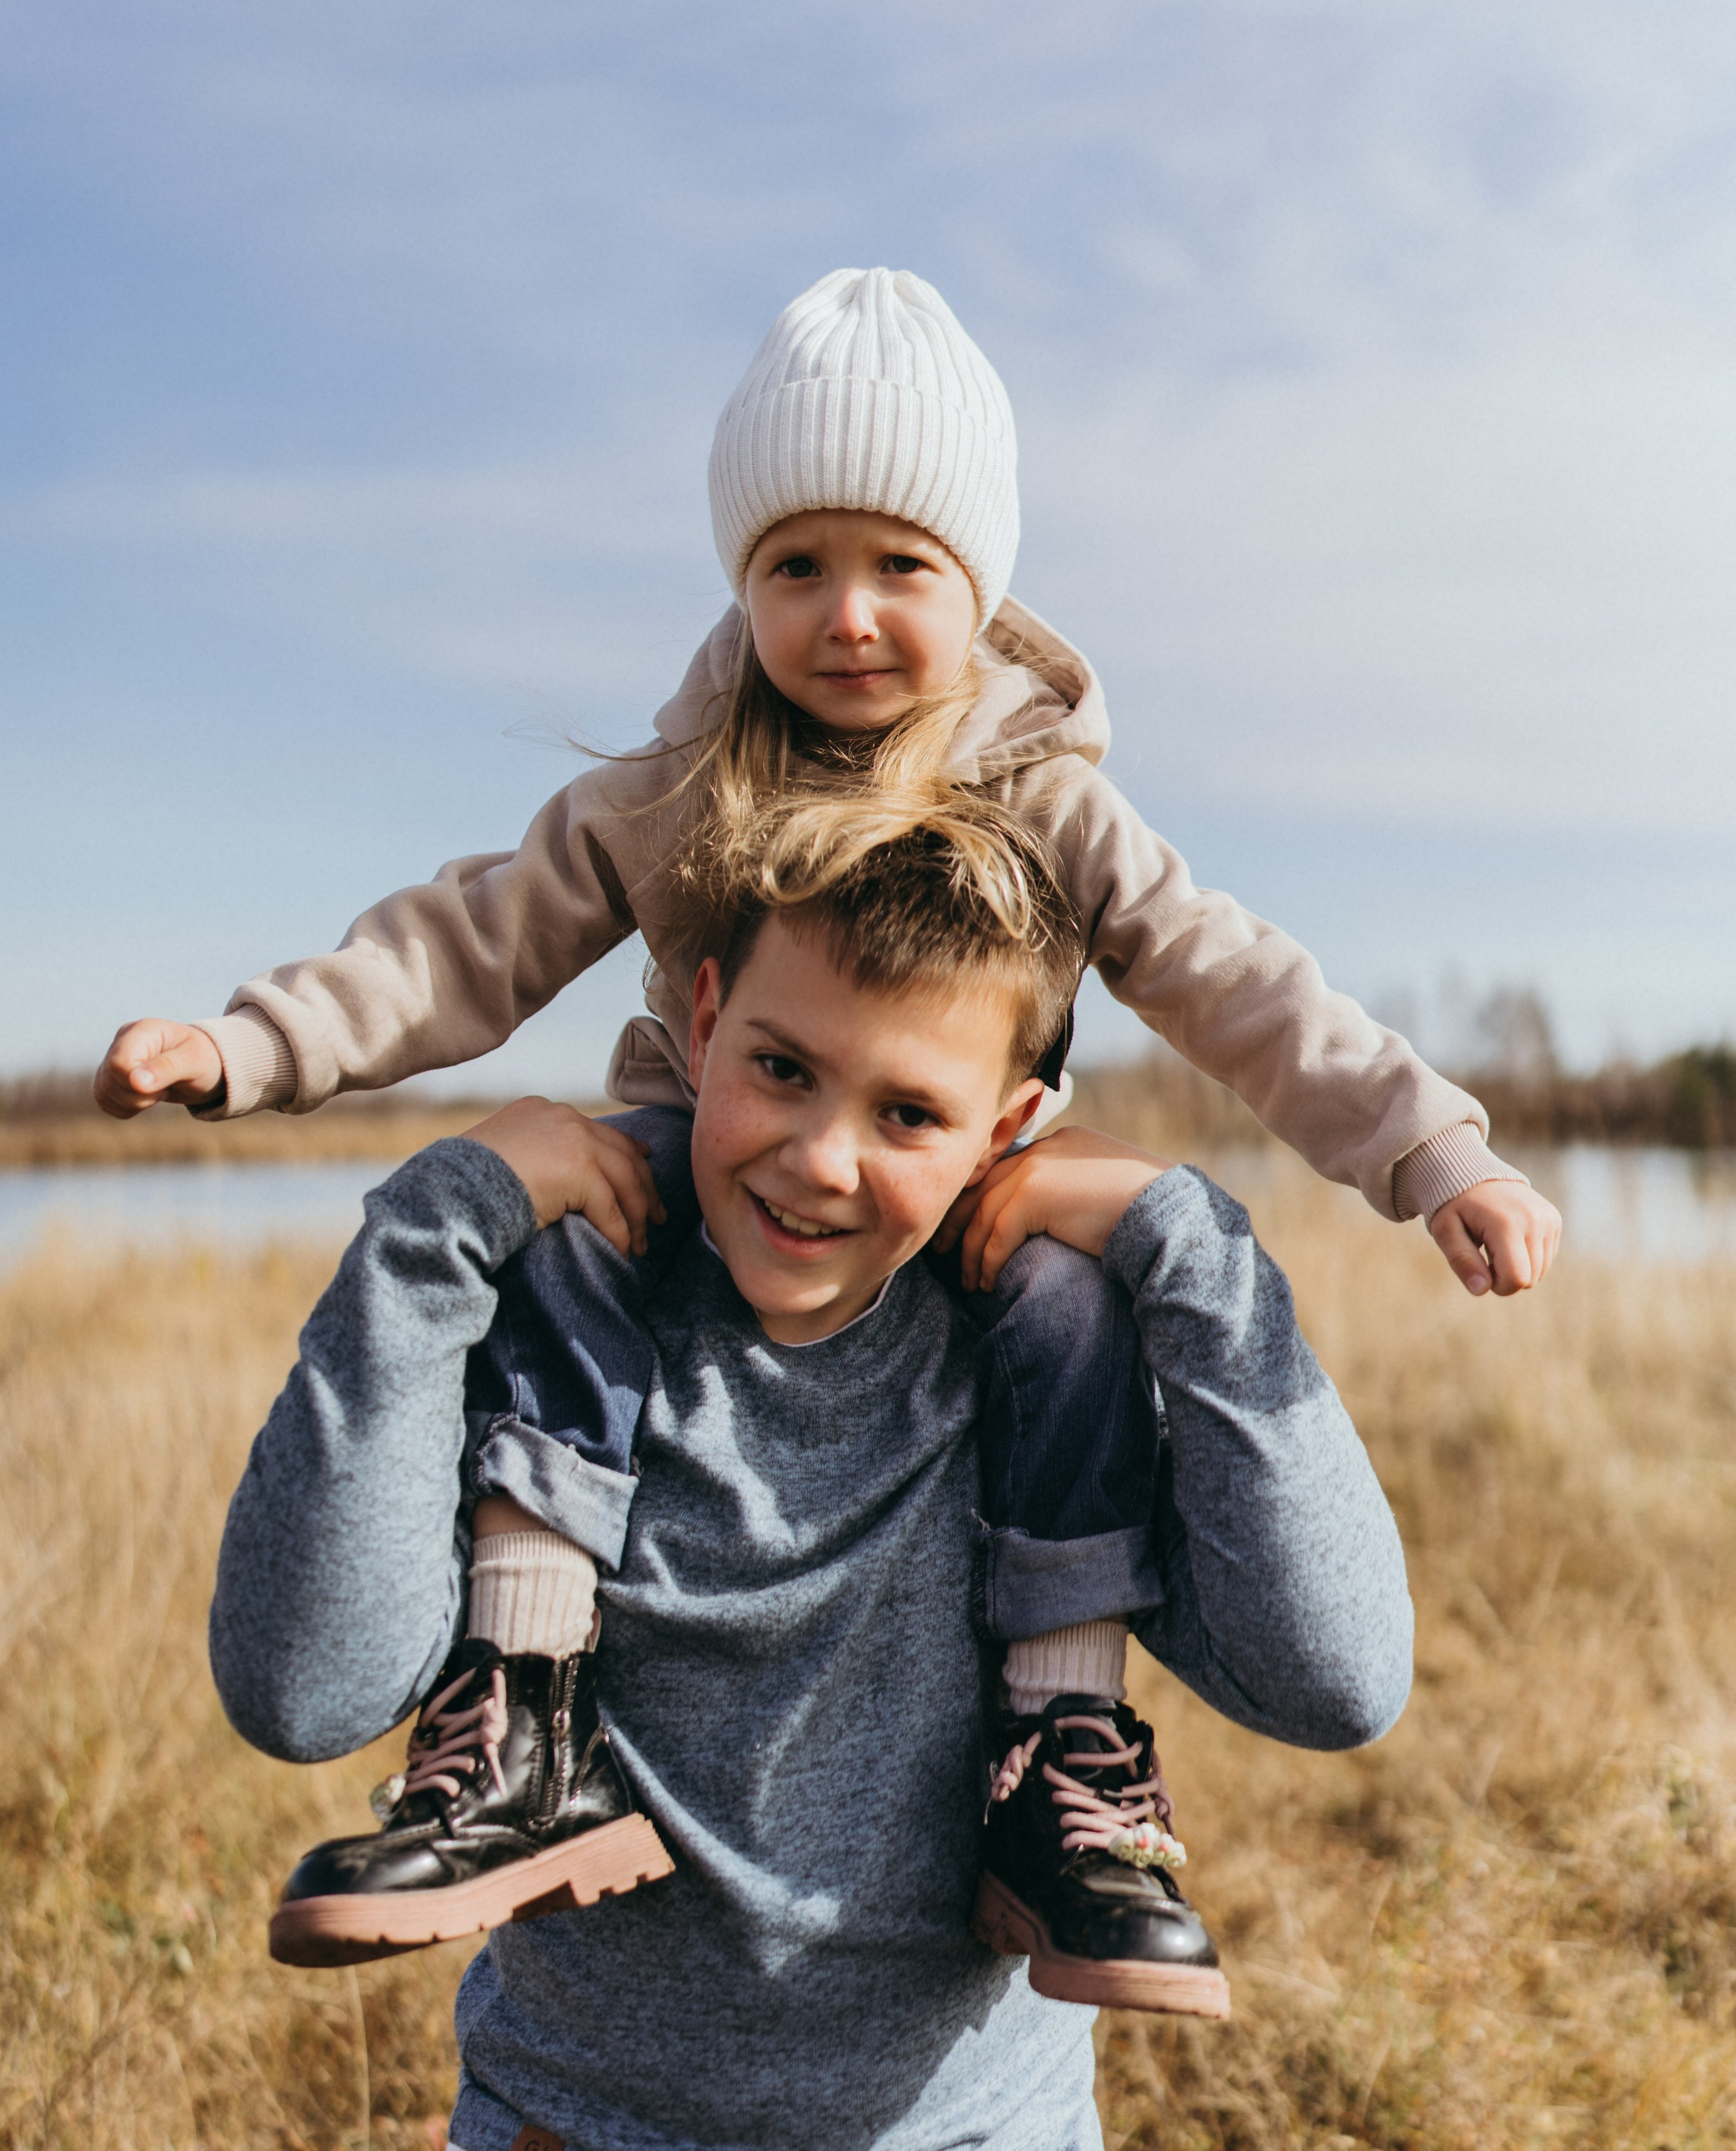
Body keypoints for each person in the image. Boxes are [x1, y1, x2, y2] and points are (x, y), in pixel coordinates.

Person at [107, 266, 1557, 1952]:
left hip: (985, 1191)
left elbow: (1239, 983)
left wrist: (1426, 1148)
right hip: (675, 1151)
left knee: (1065, 1301)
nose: (847, 616)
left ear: (980, 586)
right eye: (795, 566)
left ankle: (1059, 1730)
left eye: (900, 568)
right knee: (575, 1234)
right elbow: (470, 938)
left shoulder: (1043, 796)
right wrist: (255, 1043)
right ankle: (525, 1687)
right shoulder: (681, 783)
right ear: (740, 584)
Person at [211, 795, 1415, 2151]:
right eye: (782, 1069)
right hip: (571, 2125)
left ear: (1006, 1127)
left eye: (908, 1112)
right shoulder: (565, 1304)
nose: (820, 1158)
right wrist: (434, 1230)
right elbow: (301, 1694)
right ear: (707, 1021)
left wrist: (1184, 1245)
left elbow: (1338, 1684)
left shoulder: (1042, 1355)